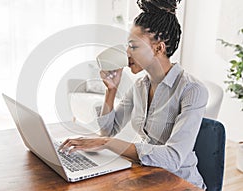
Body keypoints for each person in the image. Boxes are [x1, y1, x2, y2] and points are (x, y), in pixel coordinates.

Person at [59, 0, 208, 189]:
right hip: (149, 175)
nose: (127, 53)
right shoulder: (140, 85)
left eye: (133, 46)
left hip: (180, 183)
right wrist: (111, 90)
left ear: (159, 48)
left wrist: (107, 143)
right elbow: (108, 130)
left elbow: (173, 158)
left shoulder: (192, 90)